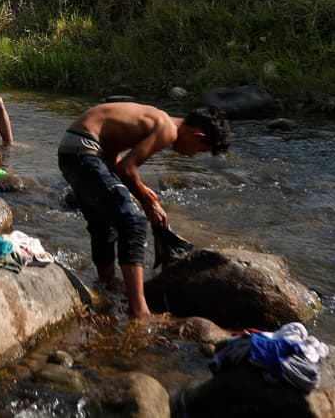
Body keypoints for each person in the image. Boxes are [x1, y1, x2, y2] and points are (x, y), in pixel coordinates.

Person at [57, 101, 229, 319]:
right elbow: (126, 168)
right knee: (134, 222)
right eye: (199, 150)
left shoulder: (154, 119)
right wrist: (149, 203)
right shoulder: (167, 129)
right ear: (197, 135)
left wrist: (141, 189)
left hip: (72, 151)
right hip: (84, 152)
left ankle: (106, 286)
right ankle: (139, 311)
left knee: (103, 224)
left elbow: (112, 157)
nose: (191, 155)